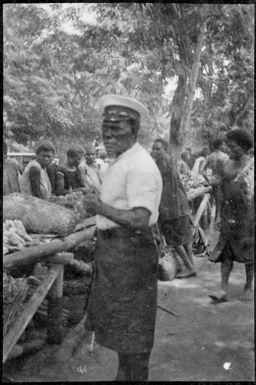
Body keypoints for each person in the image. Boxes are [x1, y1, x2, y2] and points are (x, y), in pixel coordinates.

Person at [84, 94, 162, 381]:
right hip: (117, 256)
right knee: (124, 335)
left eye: (116, 128)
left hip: (130, 257)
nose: (108, 134)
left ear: (134, 129)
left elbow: (140, 219)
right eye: (106, 127)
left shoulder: (140, 165)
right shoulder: (123, 160)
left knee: (135, 336)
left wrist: (99, 207)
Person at [209, 128, 254, 302]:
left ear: (243, 146)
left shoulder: (250, 165)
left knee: (248, 252)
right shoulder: (226, 164)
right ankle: (223, 289)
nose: (228, 149)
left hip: (248, 215)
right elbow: (220, 192)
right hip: (229, 213)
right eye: (227, 145)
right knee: (226, 252)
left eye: (232, 146)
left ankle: (249, 286)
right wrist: (219, 215)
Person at [152, 138, 197, 278]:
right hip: (180, 204)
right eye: (153, 149)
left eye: (158, 149)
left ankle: (189, 267)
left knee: (174, 240)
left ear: (164, 149)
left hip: (169, 206)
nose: (154, 151)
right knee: (185, 238)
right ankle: (192, 266)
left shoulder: (160, 161)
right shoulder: (171, 159)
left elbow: (156, 183)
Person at [201, 138, 229, 228]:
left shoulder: (210, 156)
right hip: (221, 181)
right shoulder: (225, 156)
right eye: (223, 144)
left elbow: (202, 170)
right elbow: (227, 171)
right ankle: (217, 224)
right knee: (219, 205)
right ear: (220, 145)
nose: (224, 146)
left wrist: (208, 180)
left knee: (211, 202)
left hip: (212, 180)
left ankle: (209, 223)